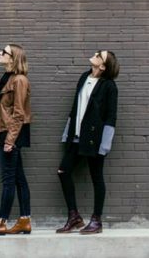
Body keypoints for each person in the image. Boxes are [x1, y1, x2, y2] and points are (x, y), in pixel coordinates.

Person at [55, 50, 120, 235]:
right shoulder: (84, 77)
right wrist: (67, 133)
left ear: (103, 66)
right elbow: (76, 107)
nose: (95, 54)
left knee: (96, 177)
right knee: (63, 171)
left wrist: (104, 146)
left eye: (99, 55)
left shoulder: (109, 87)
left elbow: (111, 117)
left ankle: (96, 220)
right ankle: (74, 216)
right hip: (76, 137)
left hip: (95, 140)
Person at [0, 43, 32, 236]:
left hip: (13, 133)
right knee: (18, 178)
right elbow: (2, 111)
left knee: (8, 180)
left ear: (13, 58)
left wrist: (9, 140)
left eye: (4, 52)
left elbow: (18, 113)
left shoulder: (19, 81)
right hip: (6, 132)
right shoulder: (7, 77)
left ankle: (1, 221)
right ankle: (25, 220)